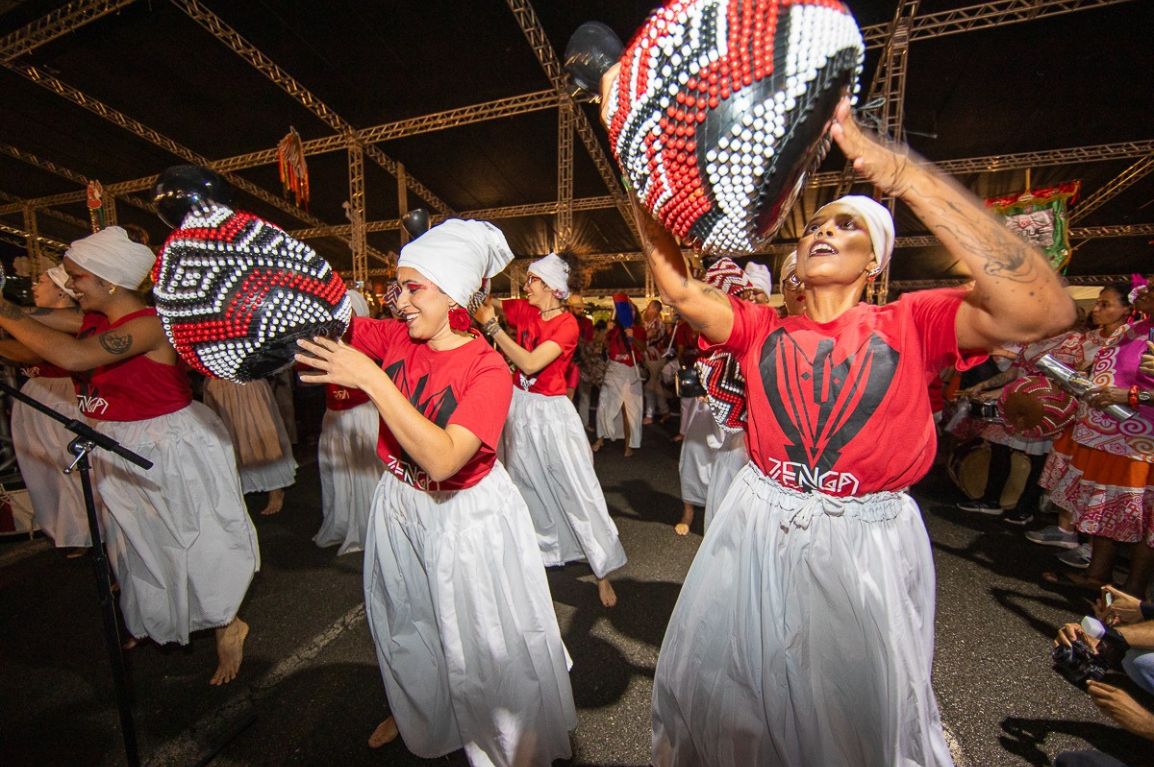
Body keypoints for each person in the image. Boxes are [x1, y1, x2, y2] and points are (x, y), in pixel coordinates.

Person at [600, 74, 1074, 763]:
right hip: (758, 518)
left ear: (875, 261)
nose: (825, 229)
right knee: (734, 691)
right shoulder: (762, 328)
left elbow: (1044, 312)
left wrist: (903, 175)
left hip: (865, 541)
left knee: (850, 717)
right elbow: (677, 288)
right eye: (817, 224)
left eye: (847, 224)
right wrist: (639, 157)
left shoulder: (911, 320)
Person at [295, 219, 576, 765]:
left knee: (481, 642)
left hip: (465, 516)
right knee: (407, 621)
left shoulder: (488, 367)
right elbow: (333, 323)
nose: (398, 301)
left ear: (452, 293)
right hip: (398, 500)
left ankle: (501, 742)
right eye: (397, 288)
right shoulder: (399, 336)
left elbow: (445, 458)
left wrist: (372, 380)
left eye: (413, 288)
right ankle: (422, 714)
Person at [0, 226, 258, 685]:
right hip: (118, 443)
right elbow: (29, 327)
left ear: (108, 281)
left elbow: (76, 358)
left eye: (78, 277)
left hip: (166, 445)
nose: (71, 285)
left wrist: (5, 311)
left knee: (194, 541)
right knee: (141, 546)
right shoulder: (93, 318)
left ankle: (227, 623)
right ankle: (168, 618)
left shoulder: (147, 324)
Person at [474, 253, 627, 608]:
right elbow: (485, 302)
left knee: (576, 488)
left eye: (532, 281)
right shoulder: (527, 310)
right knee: (526, 486)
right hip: (520, 408)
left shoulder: (568, 325)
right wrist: (479, 276)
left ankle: (602, 571)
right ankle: (542, 557)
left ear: (552, 289)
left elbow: (529, 362)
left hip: (553, 415)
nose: (525, 287)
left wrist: (493, 328)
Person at [1041, 281, 1154, 595]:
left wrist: (1132, 396)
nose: (1142, 292)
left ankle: (1132, 593)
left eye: (1152, 288)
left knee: (1144, 520)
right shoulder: (1130, 330)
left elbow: (1136, 389)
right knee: (1103, 510)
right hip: (1106, 437)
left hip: (1142, 444)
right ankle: (1097, 576)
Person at [1027, 283, 1134, 561]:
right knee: (1073, 474)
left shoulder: (1130, 339)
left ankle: (1091, 544)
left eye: (1106, 304)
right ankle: (1067, 530)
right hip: (1083, 417)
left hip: (1115, 425)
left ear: (1126, 309)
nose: (1097, 310)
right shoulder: (1087, 338)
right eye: (1097, 303)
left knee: (1099, 483)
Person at [0, 265, 91, 556]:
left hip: (61, 396)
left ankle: (89, 533)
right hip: (37, 395)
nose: (35, 285)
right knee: (45, 470)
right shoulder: (33, 319)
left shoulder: (71, 322)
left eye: (42, 281)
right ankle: (68, 531)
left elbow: (27, 353)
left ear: (62, 293)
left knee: (70, 467)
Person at [313, 289, 382, 555]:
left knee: (365, 471)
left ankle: (371, 524)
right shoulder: (328, 341)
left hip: (361, 413)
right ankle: (343, 522)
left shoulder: (367, 339)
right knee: (339, 472)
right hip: (335, 416)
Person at [202, 374, 297, 516]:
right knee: (230, 438)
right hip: (217, 382)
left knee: (261, 434)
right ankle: (239, 488)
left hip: (245, 379)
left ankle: (275, 490)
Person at [593, 296, 646, 456]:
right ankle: (600, 439)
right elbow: (600, 345)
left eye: (630, 308)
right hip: (614, 370)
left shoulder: (639, 329)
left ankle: (629, 445)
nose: (626, 311)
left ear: (633, 312)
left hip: (631, 373)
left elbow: (643, 348)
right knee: (604, 404)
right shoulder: (613, 329)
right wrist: (607, 332)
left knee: (629, 409)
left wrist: (632, 337)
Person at [641, 298, 671, 423]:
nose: (648, 309)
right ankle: (665, 411)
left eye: (650, 307)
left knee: (650, 386)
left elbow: (646, 339)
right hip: (648, 355)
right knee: (655, 385)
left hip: (654, 357)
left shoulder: (658, 323)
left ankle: (650, 414)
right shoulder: (646, 322)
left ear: (655, 309)